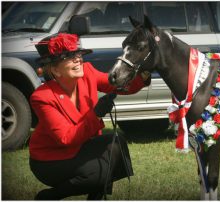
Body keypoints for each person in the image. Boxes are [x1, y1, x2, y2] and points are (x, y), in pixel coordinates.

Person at [29, 33, 151, 200]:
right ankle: (50, 196)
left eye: (78, 54)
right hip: (50, 160)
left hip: (80, 146)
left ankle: (96, 197)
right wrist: (96, 114)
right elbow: (66, 138)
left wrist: (144, 74)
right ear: (55, 70)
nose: (78, 59)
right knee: (99, 170)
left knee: (116, 144)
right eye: (69, 57)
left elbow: (117, 84)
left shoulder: (88, 72)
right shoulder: (42, 97)